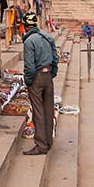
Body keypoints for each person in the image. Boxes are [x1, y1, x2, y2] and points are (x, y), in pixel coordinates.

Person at [22, 11, 59, 156]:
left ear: (25, 26)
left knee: (38, 112)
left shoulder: (29, 41)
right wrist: (52, 74)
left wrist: (28, 81)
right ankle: (48, 142)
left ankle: (41, 145)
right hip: (48, 75)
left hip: (37, 77)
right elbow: (55, 58)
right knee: (48, 110)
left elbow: (29, 66)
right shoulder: (48, 37)